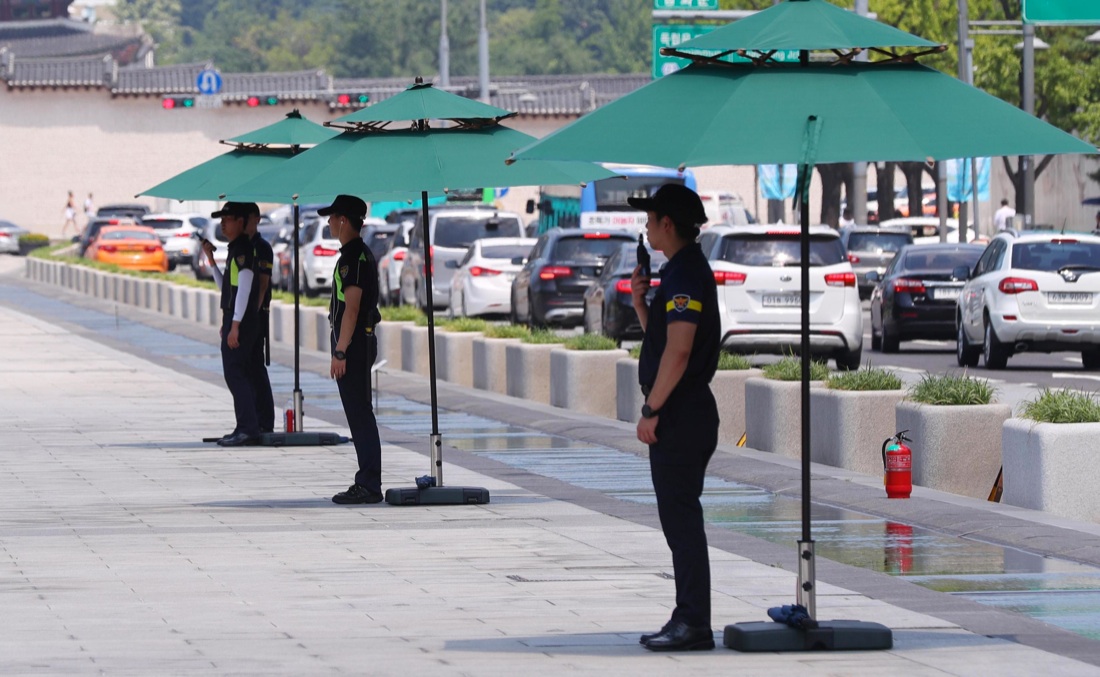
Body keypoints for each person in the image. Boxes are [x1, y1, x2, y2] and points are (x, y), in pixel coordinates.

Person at [628, 184, 721, 652]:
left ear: (668, 224)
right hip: (681, 410)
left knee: (682, 521)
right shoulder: (678, 272)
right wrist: (643, 306)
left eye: (650, 220)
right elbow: (665, 343)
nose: (646, 228)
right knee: (678, 520)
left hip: (681, 414)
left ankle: (693, 622)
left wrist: (652, 409)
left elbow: (680, 353)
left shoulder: (685, 274)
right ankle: (688, 616)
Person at [324, 195, 384, 505]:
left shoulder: (353, 258)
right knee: (359, 412)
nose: (329, 223)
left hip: (356, 343)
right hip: (358, 342)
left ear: (344, 220)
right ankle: (368, 480)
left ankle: (369, 484)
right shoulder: (354, 254)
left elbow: (352, 308)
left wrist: (340, 351)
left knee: (360, 413)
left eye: (332, 217)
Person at [201, 202, 263, 447]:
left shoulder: (243, 250)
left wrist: (235, 324)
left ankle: (249, 427)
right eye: (221, 219)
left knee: (236, 373)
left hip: (242, 321)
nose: (223, 224)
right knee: (237, 373)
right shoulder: (235, 249)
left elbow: (245, 287)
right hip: (234, 319)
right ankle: (244, 425)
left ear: (241, 221)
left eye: (227, 219)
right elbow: (227, 288)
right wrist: (211, 261)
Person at [244, 203, 275, 434]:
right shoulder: (242, 246)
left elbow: (262, 285)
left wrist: (251, 315)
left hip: (257, 314)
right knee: (247, 367)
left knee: (256, 366)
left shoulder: (262, 247)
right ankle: (253, 417)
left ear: (256, 219)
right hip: (245, 315)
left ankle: (265, 419)